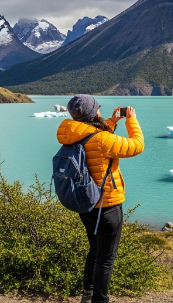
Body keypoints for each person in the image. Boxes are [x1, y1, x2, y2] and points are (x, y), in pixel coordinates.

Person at [56, 95, 144, 303]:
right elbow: (137, 145)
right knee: (106, 259)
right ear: (94, 112)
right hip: (107, 206)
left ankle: (88, 294)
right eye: (98, 108)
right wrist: (131, 120)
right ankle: (100, 300)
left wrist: (111, 122)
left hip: (85, 204)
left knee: (94, 250)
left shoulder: (74, 134)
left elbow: (96, 142)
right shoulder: (102, 139)